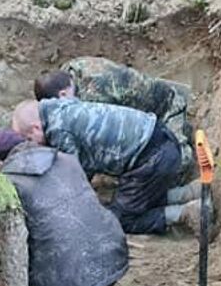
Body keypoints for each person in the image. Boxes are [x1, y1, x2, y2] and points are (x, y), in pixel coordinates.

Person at [0, 129, 128, 286]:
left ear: (0, 162)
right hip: (113, 265)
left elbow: (10, 245)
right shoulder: (67, 159)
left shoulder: (8, 183)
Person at [11, 98, 200, 236]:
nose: (33, 145)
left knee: (119, 219)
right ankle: (189, 193)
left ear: (36, 128)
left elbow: (72, 177)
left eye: (30, 139)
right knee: (135, 199)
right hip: (160, 140)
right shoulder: (60, 106)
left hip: (152, 158)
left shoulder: (58, 130)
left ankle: (185, 213)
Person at [34, 57, 193, 175]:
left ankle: (184, 138)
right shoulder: (71, 71)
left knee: (177, 165)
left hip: (168, 110)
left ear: (62, 95)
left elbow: (92, 149)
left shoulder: (92, 97)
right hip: (147, 113)